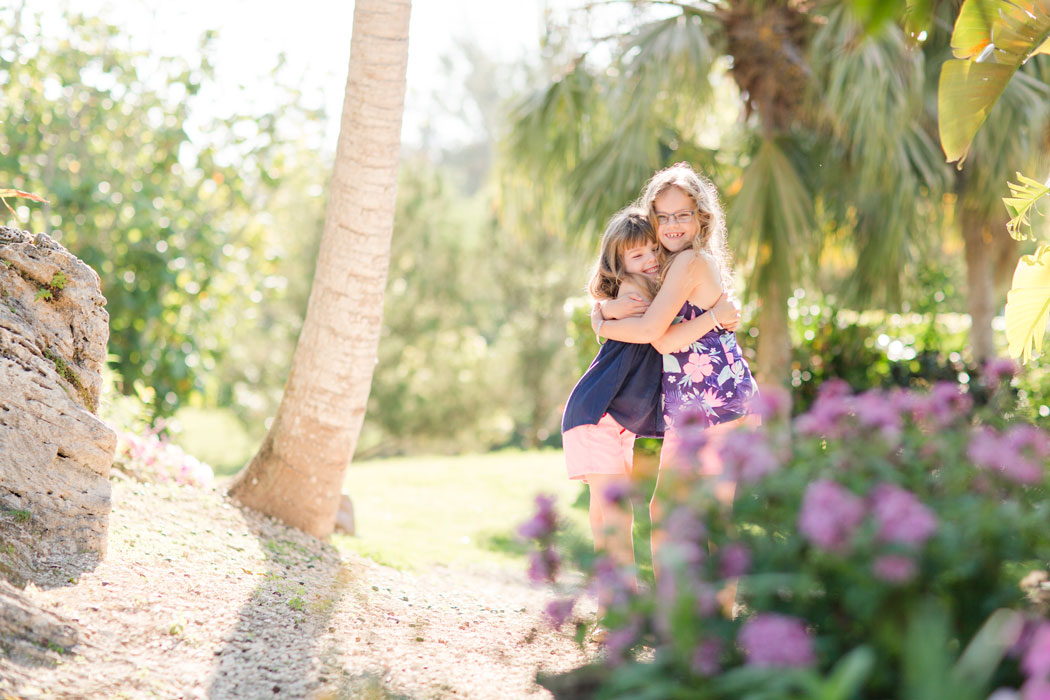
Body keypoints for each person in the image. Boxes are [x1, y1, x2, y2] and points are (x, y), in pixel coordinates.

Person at [562, 206, 739, 638]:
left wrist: (602, 316)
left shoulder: (663, 288)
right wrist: (605, 316)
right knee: (612, 513)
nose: (649, 261)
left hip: (629, 421)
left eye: (651, 251)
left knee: (630, 513)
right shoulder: (633, 295)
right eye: (635, 257)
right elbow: (649, 333)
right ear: (619, 265)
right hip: (597, 412)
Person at [593, 163, 758, 581]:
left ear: (701, 217)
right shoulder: (665, 267)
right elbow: (620, 294)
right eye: (662, 216)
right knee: (669, 512)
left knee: (707, 515)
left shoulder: (689, 262)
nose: (671, 224)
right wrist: (602, 309)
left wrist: (603, 326)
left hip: (720, 401)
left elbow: (659, 337)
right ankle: (680, 621)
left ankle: (714, 623)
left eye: (682, 214)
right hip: (689, 406)